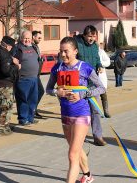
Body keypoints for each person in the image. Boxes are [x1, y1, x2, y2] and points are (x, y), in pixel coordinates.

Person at [46, 37, 105, 183]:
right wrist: (56, 93)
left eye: (66, 51)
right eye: (61, 51)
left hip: (82, 114)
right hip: (66, 115)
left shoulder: (85, 67)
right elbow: (48, 89)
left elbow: (101, 88)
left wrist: (82, 94)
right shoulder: (57, 68)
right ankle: (88, 175)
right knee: (76, 150)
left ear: (75, 51)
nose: (63, 54)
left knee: (72, 155)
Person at [74, 25, 106, 146]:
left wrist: (99, 65)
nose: (91, 38)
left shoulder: (95, 46)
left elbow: (97, 59)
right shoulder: (77, 45)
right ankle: (79, 136)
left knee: (96, 110)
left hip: (93, 85)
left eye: (94, 36)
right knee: (81, 112)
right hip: (80, 85)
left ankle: (98, 136)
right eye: (89, 36)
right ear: (84, 35)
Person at [0, 36, 20, 136]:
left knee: (4, 107)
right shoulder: (4, 54)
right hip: (5, 84)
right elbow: (6, 70)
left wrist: (10, 59)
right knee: (5, 107)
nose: (11, 48)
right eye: (11, 46)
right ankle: (1, 129)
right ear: (7, 45)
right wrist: (16, 66)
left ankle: (6, 126)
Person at [14, 30, 41, 126]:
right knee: (23, 100)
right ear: (21, 38)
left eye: (29, 38)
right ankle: (23, 119)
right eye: (25, 38)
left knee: (33, 100)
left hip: (34, 78)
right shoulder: (17, 48)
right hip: (23, 79)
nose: (27, 40)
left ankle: (30, 118)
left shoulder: (34, 47)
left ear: (31, 39)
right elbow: (12, 59)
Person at [32, 30, 45, 119]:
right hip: (33, 74)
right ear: (33, 37)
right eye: (39, 37)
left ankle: (34, 109)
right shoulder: (31, 47)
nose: (40, 39)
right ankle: (32, 110)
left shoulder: (36, 46)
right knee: (39, 91)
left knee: (39, 91)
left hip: (37, 74)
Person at [98, 47, 111, 118]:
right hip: (91, 78)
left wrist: (100, 64)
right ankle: (95, 112)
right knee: (92, 96)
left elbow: (108, 62)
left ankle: (106, 111)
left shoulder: (101, 52)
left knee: (104, 95)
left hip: (101, 77)